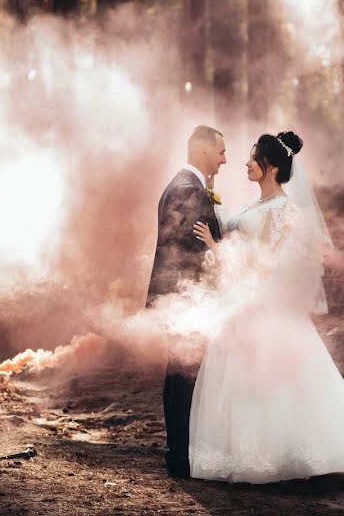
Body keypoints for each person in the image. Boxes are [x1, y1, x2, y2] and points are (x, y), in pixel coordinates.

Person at [189, 131, 344, 484]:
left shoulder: (285, 211)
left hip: (263, 307)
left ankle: (284, 455)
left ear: (272, 167)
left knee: (269, 380)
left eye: (254, 159)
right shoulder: (255, 206)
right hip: (242, 303)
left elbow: (266, 265)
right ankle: (242, 452)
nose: (246, 164)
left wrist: (216, 248)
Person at [146, 125, 227, 479]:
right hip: (184, 301)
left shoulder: (186, 186)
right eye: (221, 152)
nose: (225, 159)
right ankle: (180, 456)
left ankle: (180, 452)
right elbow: (189, 253)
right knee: (183, 377)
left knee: (180, 376)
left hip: (180, 300)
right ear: (204, 152)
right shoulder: (186, 190)